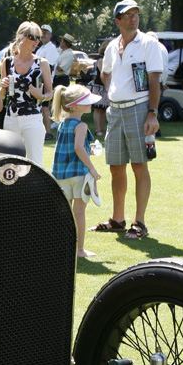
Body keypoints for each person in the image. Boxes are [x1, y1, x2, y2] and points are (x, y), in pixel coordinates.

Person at [90, 0, 162, 241]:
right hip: (116, 112)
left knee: (139, 165)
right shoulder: (112, 46)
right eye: (128, 14)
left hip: (140, 109)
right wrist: (111, 92)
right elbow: (105, 71)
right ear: (117, 21)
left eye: (136, 14)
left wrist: (152, 112)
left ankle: (139, 222)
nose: (134, 18)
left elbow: (154, 81)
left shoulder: (148, 44)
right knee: (116, 167)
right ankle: (117, 220)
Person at [51, 84, 104, 258]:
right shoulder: (81, 126)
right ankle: (79, 250)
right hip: (79, 174)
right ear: (75, 106)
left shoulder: (62, 124)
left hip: (61, 174)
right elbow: (78, 148)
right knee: (79, 213)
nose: (91, 104)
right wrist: (92, 168)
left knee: (65, 213)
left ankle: (61, 248)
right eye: (86, 101)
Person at [0, 22, 52, 163]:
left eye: (39, 38)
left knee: (35, 162)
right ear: (21, 37)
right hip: (10, 118)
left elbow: (50, 94)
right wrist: (2, 86)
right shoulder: (7, 62)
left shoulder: (42, 63)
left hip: (33, 118)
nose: (37, 41)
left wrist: (41, 96)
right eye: (33, 37)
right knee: (11, 163)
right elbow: (2, 96)